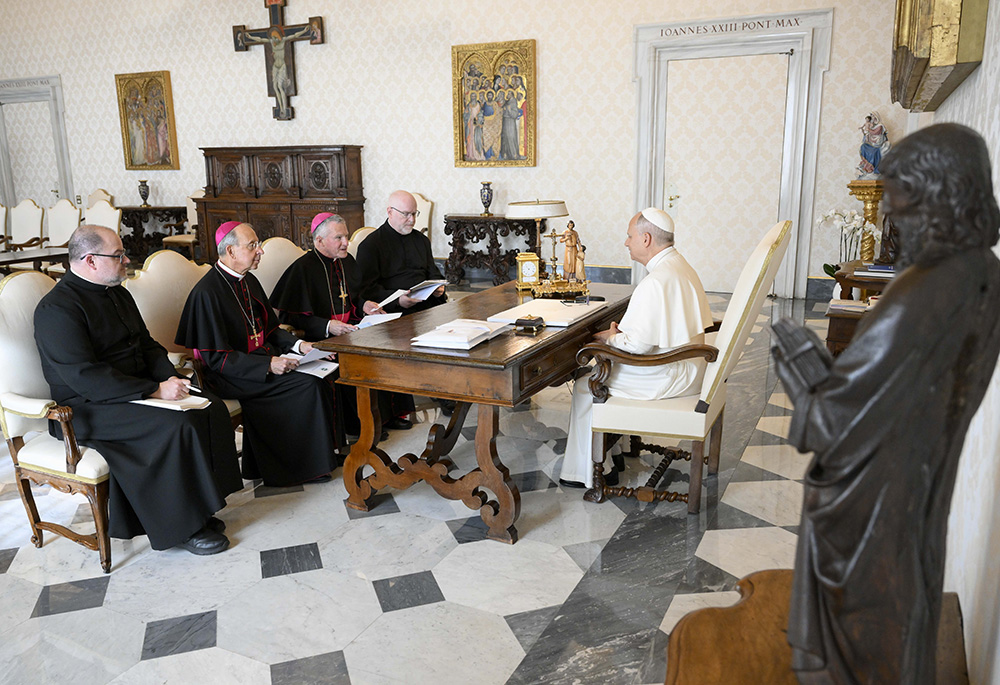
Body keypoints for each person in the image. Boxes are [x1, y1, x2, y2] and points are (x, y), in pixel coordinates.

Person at [775, 124, 1000, 684]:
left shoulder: (918, 295)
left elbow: (829, 426)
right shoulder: (985, 273)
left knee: (870, 620)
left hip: (872, 498)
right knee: (907, 598)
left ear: (939, 198)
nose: (894, 225)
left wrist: (802, 365)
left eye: (902, 209)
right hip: (916, 478)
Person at [33, 225, 241, 555]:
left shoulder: (118, 293)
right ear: (90, 260)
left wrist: (171, 379)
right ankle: (182, 527)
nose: (126, 260)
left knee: (209, 406)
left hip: (134, 390)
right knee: (174, 425)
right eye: (118, 255)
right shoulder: (56, 309)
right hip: (86, 407)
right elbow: (86, 377)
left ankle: (202, 507)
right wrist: (154, 391)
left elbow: (147, 345)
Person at [175, 221, 339, 486]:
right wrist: (267, 365)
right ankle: (294, 468)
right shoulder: (207, 293)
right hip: (229, 374)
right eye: (252, 245)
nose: (260, 250)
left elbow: (271, 330)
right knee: (306, 384)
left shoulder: (247, 281)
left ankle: (317, 458)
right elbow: (216, 358)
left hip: (262, 361)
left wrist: (302, 347)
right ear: (231, 251)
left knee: (323, 373)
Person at [559, 208, 712, 489]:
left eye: (630, 236)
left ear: (646, 238)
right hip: (690, 365)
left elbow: (638, 347)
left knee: (587, 383)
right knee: (600, 374)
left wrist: (608, 340)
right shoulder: (679, 264)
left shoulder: (655, 281)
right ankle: (612, 456)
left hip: (671, 374)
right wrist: (619, 335)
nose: (626, 242)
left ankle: (586, 473)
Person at [269, 213, 407, 436]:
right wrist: (326, 326)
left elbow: (354, 295)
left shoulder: (347, 261)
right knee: (351, 360)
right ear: (319, 240)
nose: (346, 243)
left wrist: (364, 305)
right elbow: (291, 317)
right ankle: (362, 424)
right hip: (320, 337)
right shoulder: (303, 269)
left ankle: (387, 415)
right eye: (339, 238)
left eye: (346, 236)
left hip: (352, 328)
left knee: (388, 344)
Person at [356, 191, 451, 421]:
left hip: (428, 302)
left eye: (414, 214)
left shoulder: (421, 240)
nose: (412, 220)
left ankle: (452, 385)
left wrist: (439, 287)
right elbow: (366, 290)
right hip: (396, 308)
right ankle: (440, 391)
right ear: (389, 212)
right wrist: (399, 299)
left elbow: (433, 273)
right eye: (406, 214)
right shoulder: (372, 245)